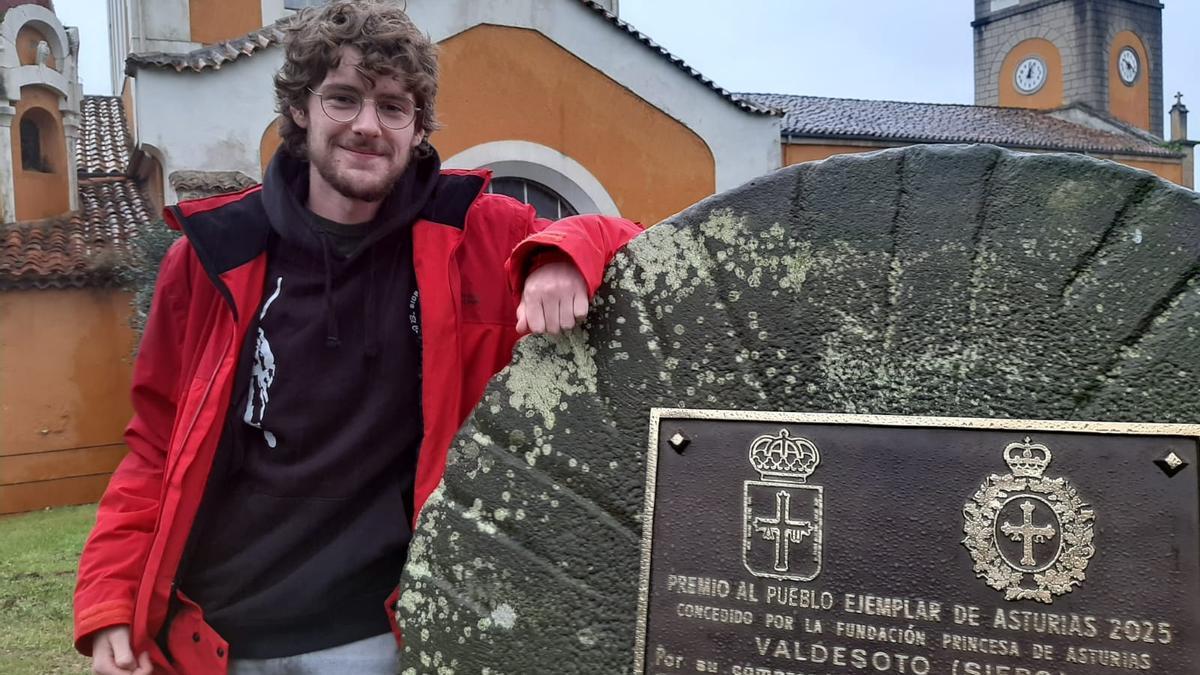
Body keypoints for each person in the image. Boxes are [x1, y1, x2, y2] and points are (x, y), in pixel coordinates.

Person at [73, 2, 641, 673]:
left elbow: (630, 243)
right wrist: (111, 598)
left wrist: (559, 254)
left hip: (376, 634)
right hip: (218, 631)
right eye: (343, 98)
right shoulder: (212, 256)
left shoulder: (473, 233)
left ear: (418, 126)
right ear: (301, 111)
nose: (368, 126)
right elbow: (155, 445)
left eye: (394, 107)